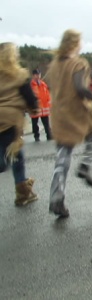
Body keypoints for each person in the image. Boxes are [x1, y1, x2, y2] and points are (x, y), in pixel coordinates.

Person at [46, 29, 92, 218]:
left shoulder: (54, 65)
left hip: (59, 114)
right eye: (80, 41)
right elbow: (80, 87)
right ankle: (85, 166)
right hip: (77, 112)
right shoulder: (78, 63)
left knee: (62, 157)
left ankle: (56, 198)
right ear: (74, 43)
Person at [0, 42, 39, 206]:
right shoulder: (19, 75)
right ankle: (22, 194)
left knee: (11, 154)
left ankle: (23, 190)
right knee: (15, 156)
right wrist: (34, 108)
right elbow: (30, 98)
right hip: (10, 122)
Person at [30, 68, 52, 141]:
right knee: (35, 123)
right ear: (33, 75)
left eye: (39, 74)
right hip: (35, 107)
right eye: (36, 74)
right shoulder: (31, 85)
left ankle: (49, 135)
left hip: (44, 107)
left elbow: (47, 94)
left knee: (46, 123)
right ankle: (36, 136)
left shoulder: (43, 84)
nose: (38, 76)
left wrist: (49, 102)